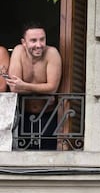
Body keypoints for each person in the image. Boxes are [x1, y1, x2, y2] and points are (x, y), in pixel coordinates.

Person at [6, 22, 62, 150]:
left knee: (48, 155)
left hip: (48, 116)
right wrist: (42, 89)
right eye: (33, 40)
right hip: (23, 116)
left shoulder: (52, 53)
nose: (39, 45)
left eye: (42, 39)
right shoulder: (18, 51)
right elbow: (14, 87)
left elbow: (52, 87)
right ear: (24, 42)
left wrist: (24, 85)